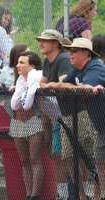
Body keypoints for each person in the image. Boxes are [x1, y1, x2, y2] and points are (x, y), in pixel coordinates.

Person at [42, 37, 105, 199]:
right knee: (99, 161)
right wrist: (61, 85)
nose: (71, 54)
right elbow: (60, 84)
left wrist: (61, 85)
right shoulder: (78, 69)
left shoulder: (95, 66)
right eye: (70, 50)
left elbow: (84, 87)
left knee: (96, 159)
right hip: (101, 125)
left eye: (75, 51)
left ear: (87, 53)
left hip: (96, 122)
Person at [36, 29, 73, 199]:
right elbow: (42, 83)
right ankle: (63, 194)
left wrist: (48, 85)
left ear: (56, 43)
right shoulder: (47, 61)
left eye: (46, 40)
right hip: (56, 116)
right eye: (40, 40)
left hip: (71, 114)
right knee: (57, 156)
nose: (41, 43)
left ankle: (84, 193)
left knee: (72, 157)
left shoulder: (64, 59)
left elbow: (63, 84)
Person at [10, 51, 43, 200]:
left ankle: (35, 195)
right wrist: (20, 87)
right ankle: (28, 193)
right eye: (17, 62)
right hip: (17, 122)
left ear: (32, 65)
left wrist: (28, 88)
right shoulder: (19, 80)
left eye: (22, 62)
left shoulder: (36, 76)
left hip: (34, 121)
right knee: (24, 161)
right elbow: (14, 105)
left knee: (34, 159)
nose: (18, 65)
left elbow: (28, 104)